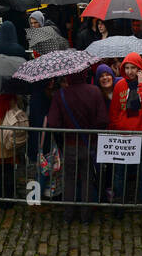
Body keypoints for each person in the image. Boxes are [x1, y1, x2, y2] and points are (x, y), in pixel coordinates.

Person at [46, 72, 108, 223]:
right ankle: (85, 216)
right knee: (87, 179)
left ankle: (68, 215)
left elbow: (53, 123)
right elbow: (103, 120)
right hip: (89, 144)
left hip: (70, 144)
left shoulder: (61, 94)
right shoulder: (94, 91)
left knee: (69, 179)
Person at [106, 52, 142, 217]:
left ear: (140, 69)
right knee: (119, 173)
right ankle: (118, 206)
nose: (129, 72)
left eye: (133, 68)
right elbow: (114, 111)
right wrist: (116, 130)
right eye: (126, 68)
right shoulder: (120, 85)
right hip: (123, 137)